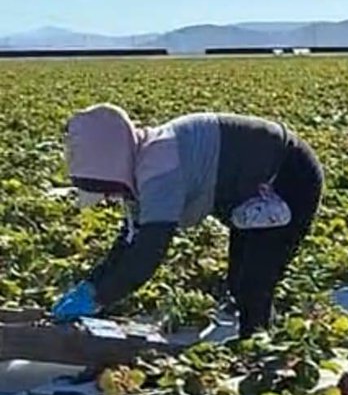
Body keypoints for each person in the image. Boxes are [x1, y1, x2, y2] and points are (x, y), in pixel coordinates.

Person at [52, 105, 323, 338]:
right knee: (240, 279)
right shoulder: (140, 163)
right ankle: (253, 340)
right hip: (250, 195)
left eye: (105, 188)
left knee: (255, 281)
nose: (109, 197)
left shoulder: (159, 170)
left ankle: (259, 354)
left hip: (289, 175)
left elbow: (148, 252)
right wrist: (91, 284)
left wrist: (99, 298)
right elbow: (130, 241)